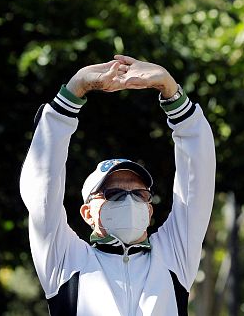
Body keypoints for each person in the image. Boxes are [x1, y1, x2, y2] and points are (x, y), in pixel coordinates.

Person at [20, 55, 216, 314]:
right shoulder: (67, 260)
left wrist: (172, 92)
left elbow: (198, 181)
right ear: (87, 212)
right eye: (113, 193)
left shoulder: (173, 256)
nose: (128, 199)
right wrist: (75, 89)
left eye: (139, 193)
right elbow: (41, 189)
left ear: (149, 209)